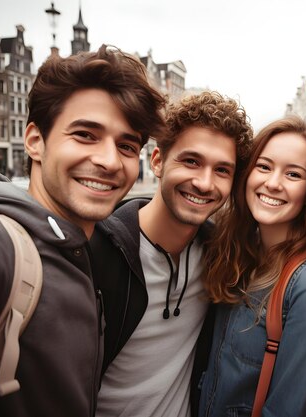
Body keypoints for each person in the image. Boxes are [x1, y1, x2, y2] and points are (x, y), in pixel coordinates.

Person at [0, 45, 166, 416]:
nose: (110, 161)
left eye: (126, 145)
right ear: (35, 141)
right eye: (85, 135)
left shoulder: (82, 249)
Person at [91, 91, 253, 417]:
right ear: (157, 161)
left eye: (222, 170)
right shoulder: (97, 254)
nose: (205, 183)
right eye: (191, 161)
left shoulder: (219, 256)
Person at [197, 117, 306, 417]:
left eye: (293, 174)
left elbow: (289, 408)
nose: (273, 183)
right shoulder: (240, 252)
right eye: (263, 166)